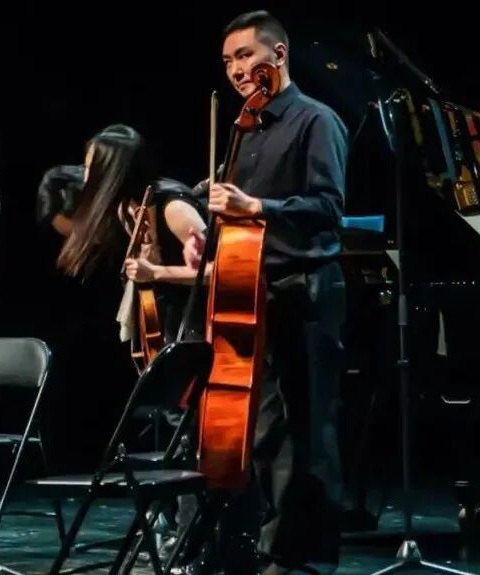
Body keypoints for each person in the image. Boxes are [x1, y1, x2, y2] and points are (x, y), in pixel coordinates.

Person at [181, 10, 348, 575]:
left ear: (278, 54)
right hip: (252, 293)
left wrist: (257, 207)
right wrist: (202, 232)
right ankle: (268, 547)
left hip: (306, 291)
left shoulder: (315, 120)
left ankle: (305, 557)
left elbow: (328, 208)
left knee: (307, 430)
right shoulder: (245, 129)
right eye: (227, 60)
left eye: (245, 55)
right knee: (268, 431)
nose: (235, 69)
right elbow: (220, 205)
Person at [54, 125, 207, 346]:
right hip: (172, 322)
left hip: (203, 325)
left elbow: (219, 272)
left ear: (111, 172)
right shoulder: (125, 207)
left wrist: (155, 272)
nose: (84, 176)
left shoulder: (173, 209)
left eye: (89, 168)